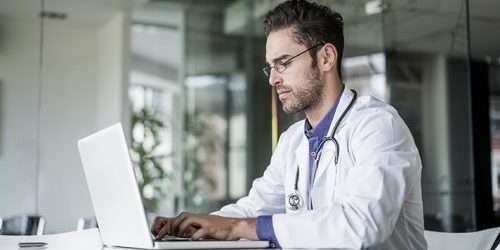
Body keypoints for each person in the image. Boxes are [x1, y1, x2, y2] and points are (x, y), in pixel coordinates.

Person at [151, 0, 427, 249]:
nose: (272, 79)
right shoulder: (293, 140)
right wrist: (198, 224)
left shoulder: (377, 126)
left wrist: (239, 228)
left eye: (283, 63)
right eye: (270, 67)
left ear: (326, 57)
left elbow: (364, 224)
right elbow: (256, 208)